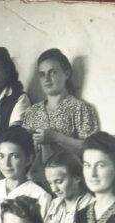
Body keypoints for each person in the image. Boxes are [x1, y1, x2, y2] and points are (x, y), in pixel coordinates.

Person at [22, 48, 99, 182]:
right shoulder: (31, 112)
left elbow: (92, 149)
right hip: (34, 181)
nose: (47, 79)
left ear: (67, 74)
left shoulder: (80, 108)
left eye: (53, 72)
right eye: (42, 74)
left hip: (68, 181)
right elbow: (21, 149)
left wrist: (56, 137)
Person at [43, 151, 92, 223]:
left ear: (77, 178)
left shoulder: (91, 205)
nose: (54, 189)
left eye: (59, 182)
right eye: (50, 183)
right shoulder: (55, 204)